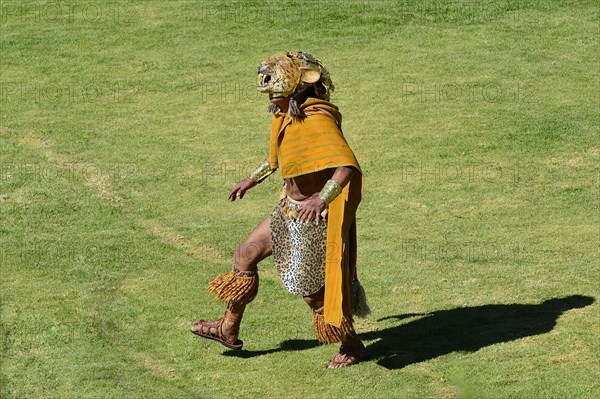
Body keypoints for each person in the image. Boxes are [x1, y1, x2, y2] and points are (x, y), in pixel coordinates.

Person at [191, 51, 371, 368]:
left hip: (312, 217)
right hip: (287, 208)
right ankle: (227, 329)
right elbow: (279, 157)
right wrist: (251, 179)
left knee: (313, 295)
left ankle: (352, 346)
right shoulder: (288, 116)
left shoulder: (318, 118)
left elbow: (346, 166)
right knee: (244, 254)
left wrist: (322, 199)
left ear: (299, 86)